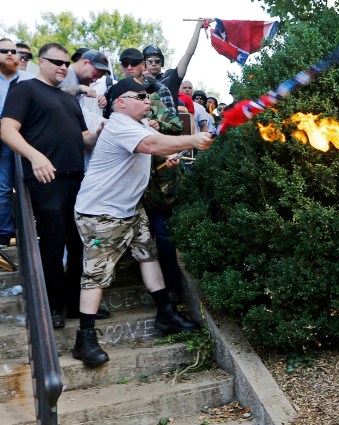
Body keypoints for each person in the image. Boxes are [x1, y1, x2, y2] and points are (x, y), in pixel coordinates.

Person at [72, 77, 213, 367]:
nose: (147, 100)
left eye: (148, 96)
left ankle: (166, 312)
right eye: (139, 96)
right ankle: (84, 338)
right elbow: (149, 144)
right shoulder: (119, 123)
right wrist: (191, 140)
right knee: (96, 273)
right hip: (101, 214)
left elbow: (150, 148)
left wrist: (169, 154)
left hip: (130, 210)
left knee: (149, 256)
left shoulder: (137, 126)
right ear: (120, 102)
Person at [0, 43, 99, 328]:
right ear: (40, 62)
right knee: (53, 243)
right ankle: (52, 306)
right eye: (56, 61)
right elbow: (7, 129)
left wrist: (98, 133)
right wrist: (34, 156)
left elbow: (83, 138)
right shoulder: (25, 89)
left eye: (66, 63)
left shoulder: (68, 100)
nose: (63, 67)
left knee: (79, 243)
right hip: (47, 178)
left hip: (76, 179)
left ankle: (75, 306)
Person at [0, 38, 35, 247]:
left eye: (13, 51)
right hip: (4, 142)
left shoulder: (30, 80)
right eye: (4, 50)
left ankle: (33, 234)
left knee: (32, 187)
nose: (10, 54)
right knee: (3, 189)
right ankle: (4, 234)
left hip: (29, 139)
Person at [143, 19, 205, 108]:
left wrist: (198, 27)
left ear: (162, 62)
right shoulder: (139, 83)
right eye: (150, 60)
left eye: (157, 60)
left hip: (171, 120)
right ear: (144, 63)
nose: (153, 63)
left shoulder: (171, 76)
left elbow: (188, 54)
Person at [119, 48, 177, 116]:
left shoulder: (159, 89)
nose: (129, 68)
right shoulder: (113, 89)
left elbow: (172, 125)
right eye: (125, 64)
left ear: (143, 65)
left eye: (134, 63)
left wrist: (152, 122)